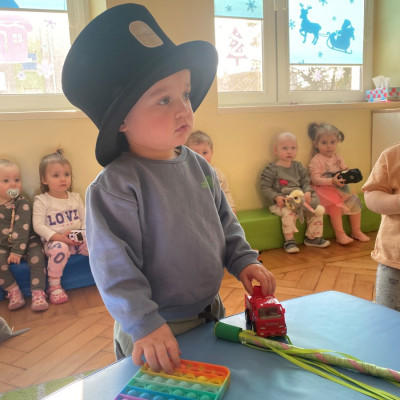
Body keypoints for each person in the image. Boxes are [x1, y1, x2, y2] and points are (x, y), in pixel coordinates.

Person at [61, 3, 276, 375]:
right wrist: (144, 323)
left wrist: (244, 259)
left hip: (210, 309)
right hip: (156, 329)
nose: (183, 110)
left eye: (185, 95)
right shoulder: (115, 187)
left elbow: (224, 222)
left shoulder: (199, 165)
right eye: (164, 99)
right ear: (121, 120)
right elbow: (114, 268)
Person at [32, 149, 88, 305]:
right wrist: (60, 238)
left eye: (66, 174)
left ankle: (107, 273)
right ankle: (54, 284)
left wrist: (81, 234)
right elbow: (38, 225)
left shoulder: (75, 197)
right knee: (60, 249)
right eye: (56, 175)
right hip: (55, 243)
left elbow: (86, 218)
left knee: (97, 243)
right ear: (44, 180)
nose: (63, 179)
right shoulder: (42, 200)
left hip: (77, 240)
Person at [260, 132, 330, 253]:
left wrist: (307, 192)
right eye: (284, 148)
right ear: (275, 150)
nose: (289, 151)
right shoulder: (271, 169)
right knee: (288, 213)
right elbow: (265, 187)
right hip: (282, 203)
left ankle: (312, 238)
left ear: (297, 149)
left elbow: (306, 182)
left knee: (317, 210)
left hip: (300, 201)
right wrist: (276, 197)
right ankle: (289, 241)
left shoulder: (298, 167)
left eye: (293, 148)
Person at [308, 122, 370, 245]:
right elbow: (314, 179)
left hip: (340, 187)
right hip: (324, 190)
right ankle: (340, 234)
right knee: (335, 208)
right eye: (324, 143)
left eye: (332, 142)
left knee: (354, 203)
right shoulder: (316, 160)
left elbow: (343, 168)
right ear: (316, 144)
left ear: (337, 142)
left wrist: (348, 173)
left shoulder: (337, 156)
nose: (329, 146)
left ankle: (356, 231)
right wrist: (331, 181)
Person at [0, 159, 48, 311]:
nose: (13, 184)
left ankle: (38, 293)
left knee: (37, 256)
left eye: (17, 179)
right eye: (6, 181)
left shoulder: (22, 203)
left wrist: (17, 251)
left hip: (28, 241)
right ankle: (13, 291)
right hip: (4, 245)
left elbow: (22, 229)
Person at [362, 143, 400, 311]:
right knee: (388, 313)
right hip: (395, 260)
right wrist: (397, 202)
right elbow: (372, 195)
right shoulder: (392, 155)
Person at [185, 130, 236, 213]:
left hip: (215, 213)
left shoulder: (217, 174)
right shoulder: (185, 173)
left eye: (205, 153)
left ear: (211, 153)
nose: (201, 157)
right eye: (195, 153)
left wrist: (231, 208)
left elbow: (225, 192)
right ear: (186, 154)